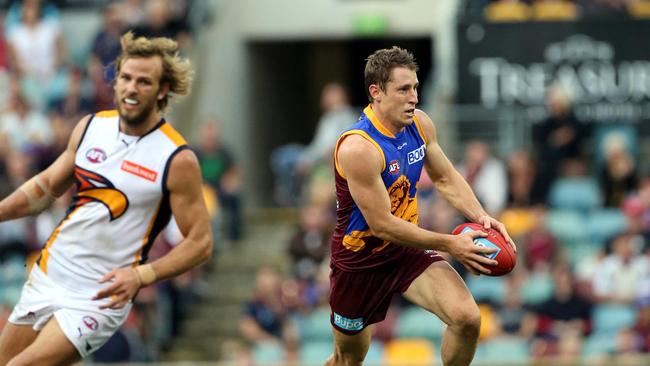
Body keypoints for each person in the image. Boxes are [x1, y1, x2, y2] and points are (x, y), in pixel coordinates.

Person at [0, 32, 212, 365]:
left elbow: (200, 243)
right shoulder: (90, 127)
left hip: (99, 296)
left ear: (162, 90)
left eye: (144, 81)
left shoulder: (177, 158)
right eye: (125, 78)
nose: (131, 88)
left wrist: (142, 276)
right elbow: (44, 188)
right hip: (49, 275)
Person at [327, 46, 516, 366]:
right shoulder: (359, 147)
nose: (413, 97)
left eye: (415, 87)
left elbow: (444, 178)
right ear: (376, 92)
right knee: (348, 361)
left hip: (405, 252)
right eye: (403, 89)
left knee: (467, 318)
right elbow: (382, 225)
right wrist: (450, 244)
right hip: (359, 263)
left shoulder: (420, 124)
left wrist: (482, 217)